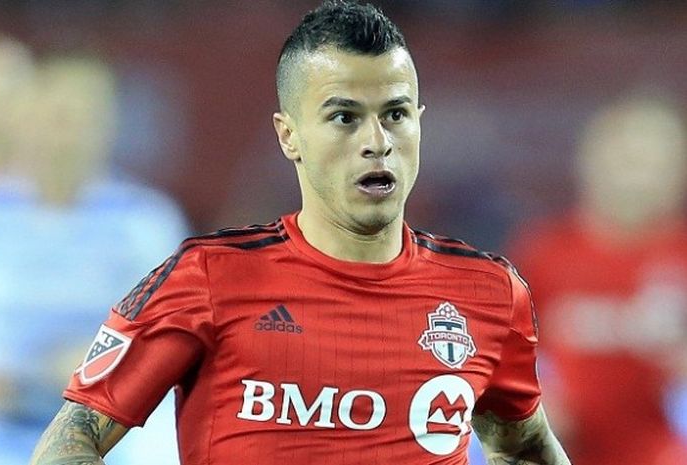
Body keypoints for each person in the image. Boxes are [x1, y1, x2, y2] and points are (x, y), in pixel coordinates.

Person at [29, 2, 571, 464]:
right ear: (289, 136)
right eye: (344, 117)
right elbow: (68, 447)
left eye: (397, 114)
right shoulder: (208, 278)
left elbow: (525, 448)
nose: (377, 141)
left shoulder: (488, 293)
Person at [0, 52, 186, 465]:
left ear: (109, 126)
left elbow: (174, 332)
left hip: (105, 412)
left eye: (84, 118)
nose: (68, 135)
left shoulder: (144, 220)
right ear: (27, 120)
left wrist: (92, 361)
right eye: (58, 116)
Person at [506, 93, 687, 465]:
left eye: (659, 164)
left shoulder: (680, 256)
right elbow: (496, 355)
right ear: (590, 161)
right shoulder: (544, 253)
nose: (641, 179)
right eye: (630, 161)